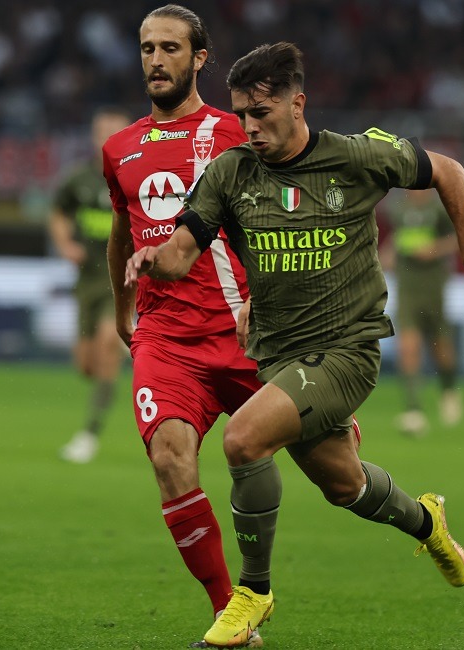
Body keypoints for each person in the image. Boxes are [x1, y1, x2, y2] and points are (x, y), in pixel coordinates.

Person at [125, 42, 464, 648]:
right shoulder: (230, 172)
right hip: (278, 356)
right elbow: (181, 251)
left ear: (298, 103)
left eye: (264, 113)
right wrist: (152, 259)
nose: (252, 127)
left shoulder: (355, 157)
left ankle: (251, 593)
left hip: (347, 351)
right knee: (345, 485)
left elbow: (448, 171)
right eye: (243, 115)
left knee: (242, 440)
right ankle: (427, 521)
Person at [104, 6, 275, 647]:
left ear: (199, 58)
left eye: (169, 48)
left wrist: (273, 300)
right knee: (170, 459)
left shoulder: (236, 132)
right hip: (165, 337)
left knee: (339, 473)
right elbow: (122, 230)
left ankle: (420, 519)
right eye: (146, 48)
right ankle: (230, 610)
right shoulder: (118, 148)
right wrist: (123, 312)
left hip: (240, 331)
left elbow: (281, 221)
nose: (155, 59)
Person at [50, 107, 132, 463]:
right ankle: (135, 349)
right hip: (86, 282)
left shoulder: (137, 177)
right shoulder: (80, 179)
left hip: (123, 281)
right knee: (86, 364)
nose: (108, 136)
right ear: (94, 135)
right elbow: (58, 211)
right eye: (103, 130)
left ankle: (89, 434)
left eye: (115, 130)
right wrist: (65, 243)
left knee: (105, 346)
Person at [379, 188, 462, 436]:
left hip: (433, 286)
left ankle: (449, 389)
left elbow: (458, 238)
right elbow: (400, 235)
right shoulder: (398, 208)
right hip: (407, 286)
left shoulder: (440, 208)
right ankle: (413, 409)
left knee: (440, 346)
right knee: (408, 345)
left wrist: (433, 249)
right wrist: (389, 252)